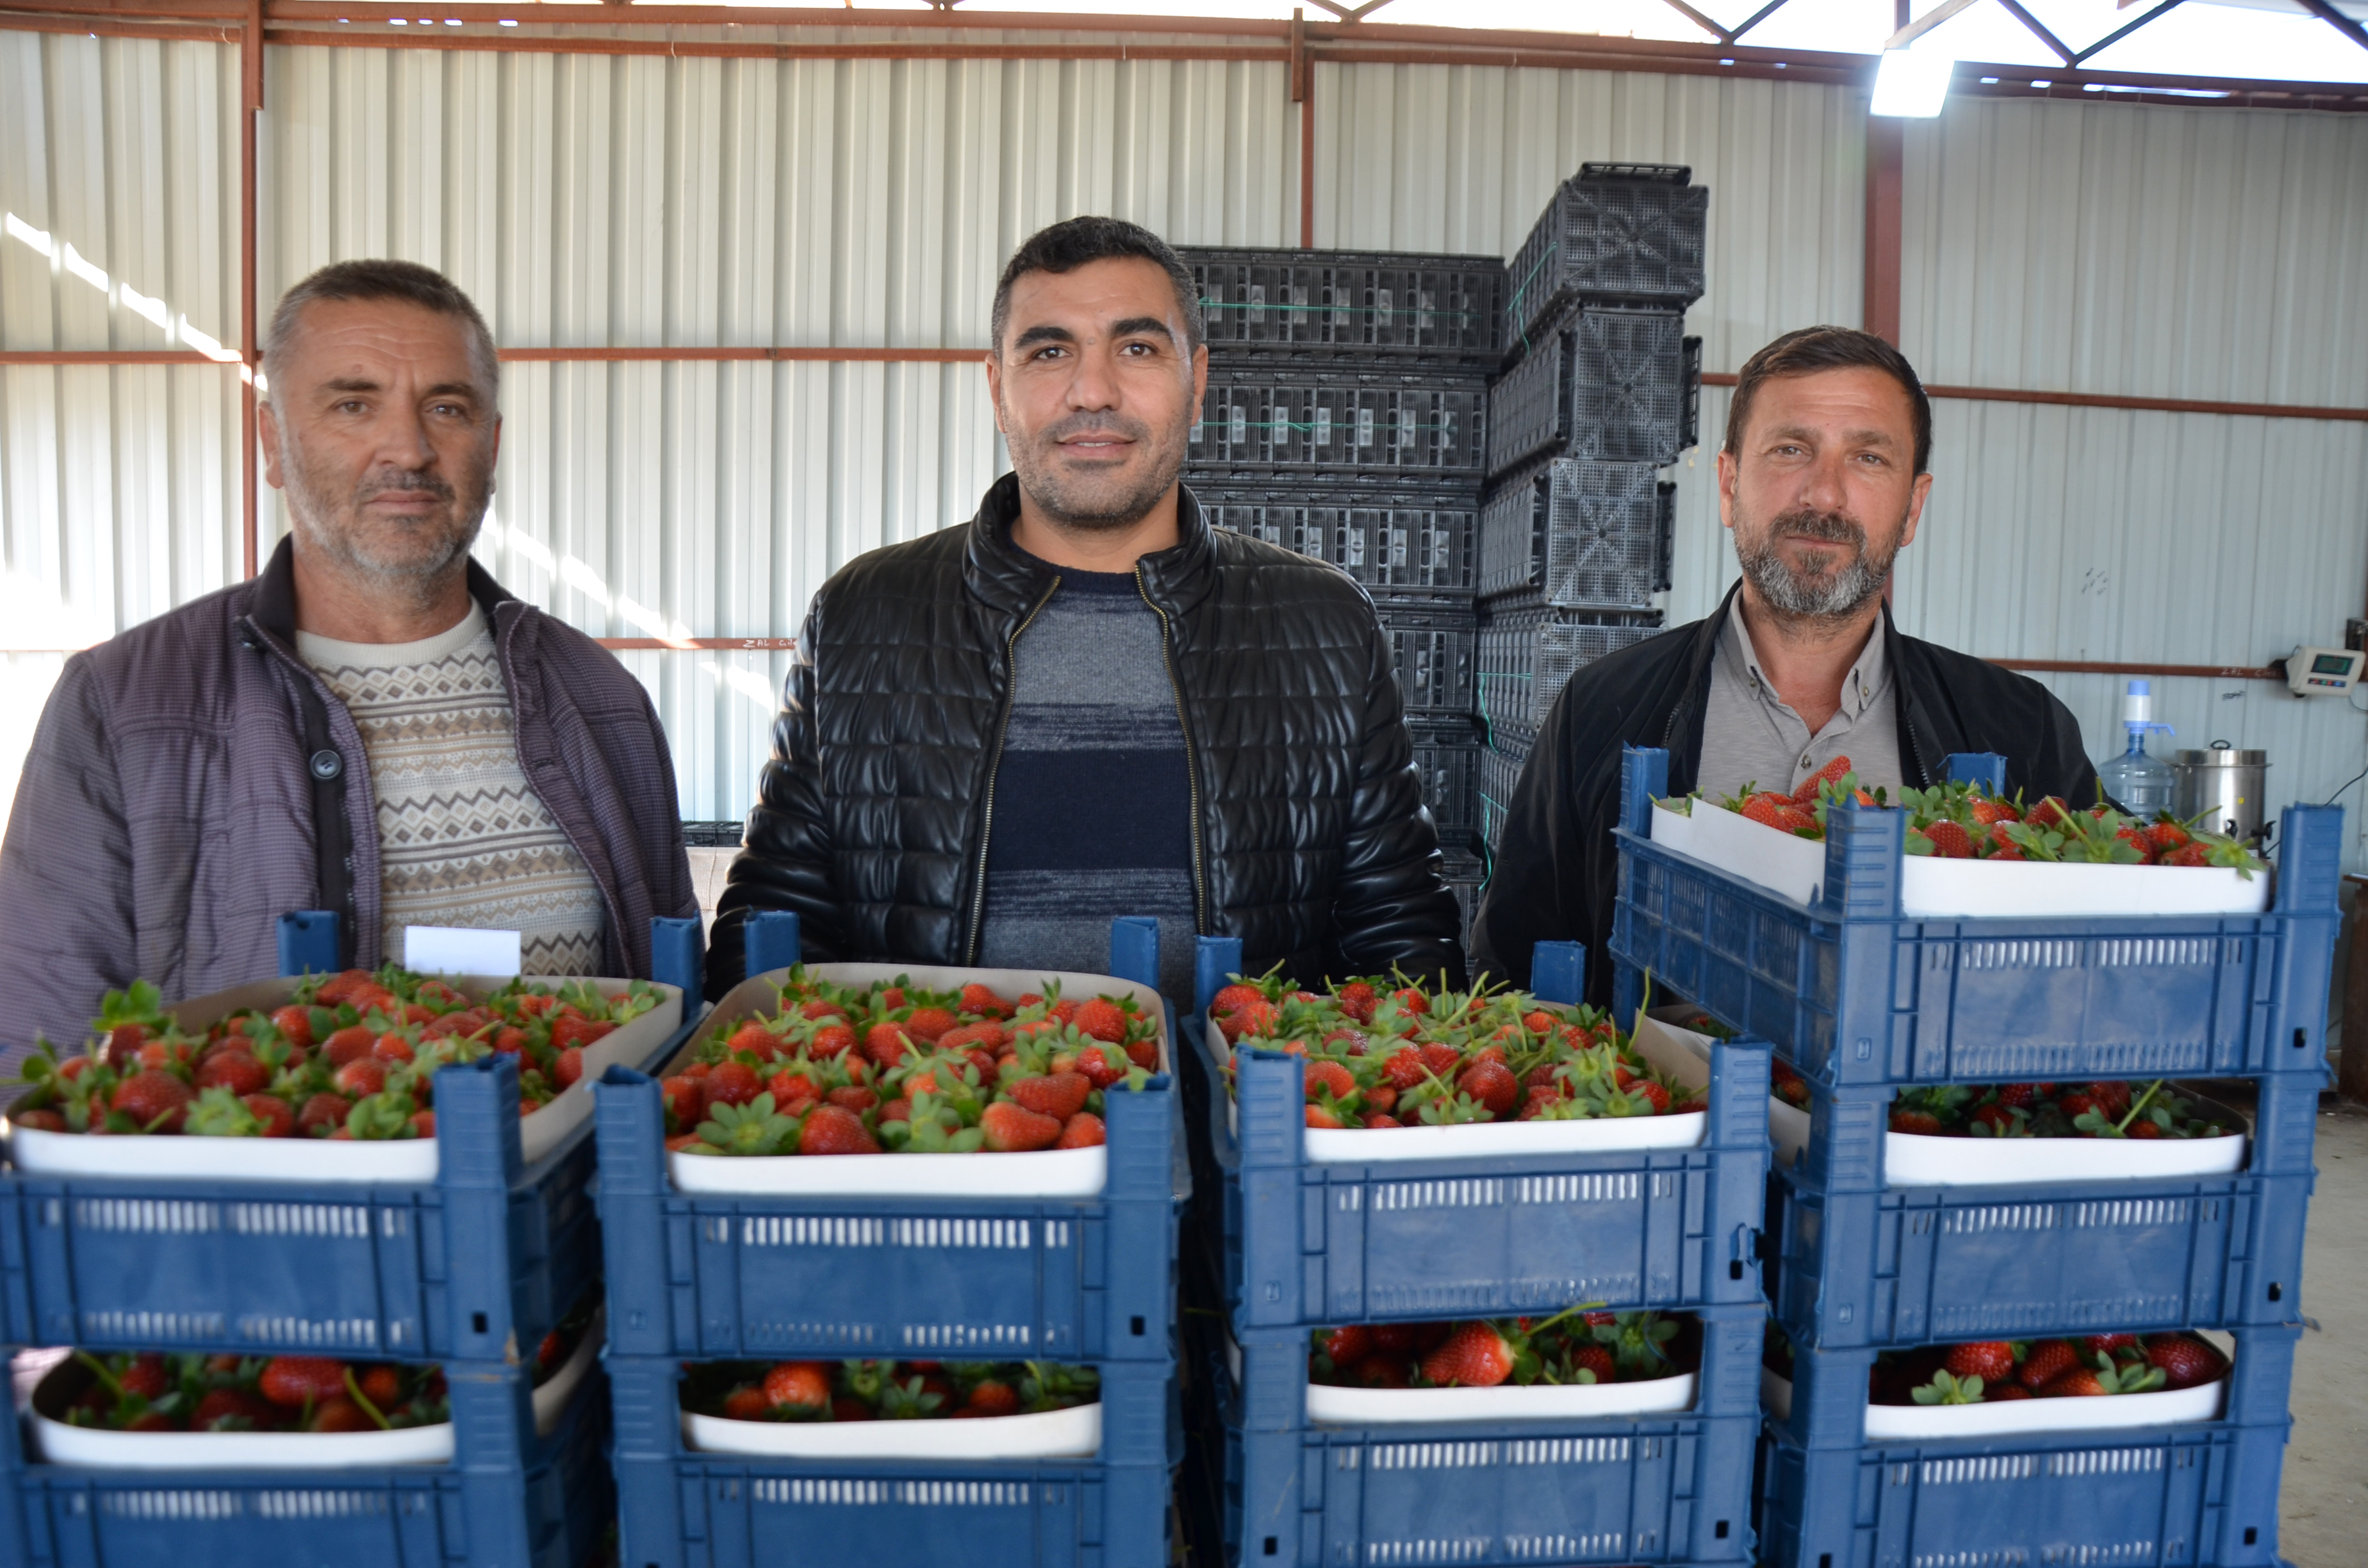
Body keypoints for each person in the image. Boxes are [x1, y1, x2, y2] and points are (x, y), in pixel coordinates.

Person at [711, 216, 1463, 1000]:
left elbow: (1400, 934)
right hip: (937, 1084)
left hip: (1242, 1083)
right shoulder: (863, 616)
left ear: (1197, 382)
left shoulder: (1323, 624)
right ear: (997, 389)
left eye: (1137, 349)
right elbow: (775, 926)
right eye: (1049, 352)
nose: (1093, 392)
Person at [0, 259, 696, 1066]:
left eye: (447, 407)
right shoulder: (127, 707)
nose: (409, 448)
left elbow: (674, 1020)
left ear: (492, 444)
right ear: (274, 441)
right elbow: (38, 1052)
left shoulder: (601, 698)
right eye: (353, 404)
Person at [1472, 325, 2096, 1000]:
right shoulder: (1599, 712)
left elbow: (2091, 980)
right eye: (1791, 450)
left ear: (1913, 508)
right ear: (1729, 484)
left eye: (1868, 458)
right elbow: (1514, 977)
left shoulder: (2023, 729)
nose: (1824, 495)